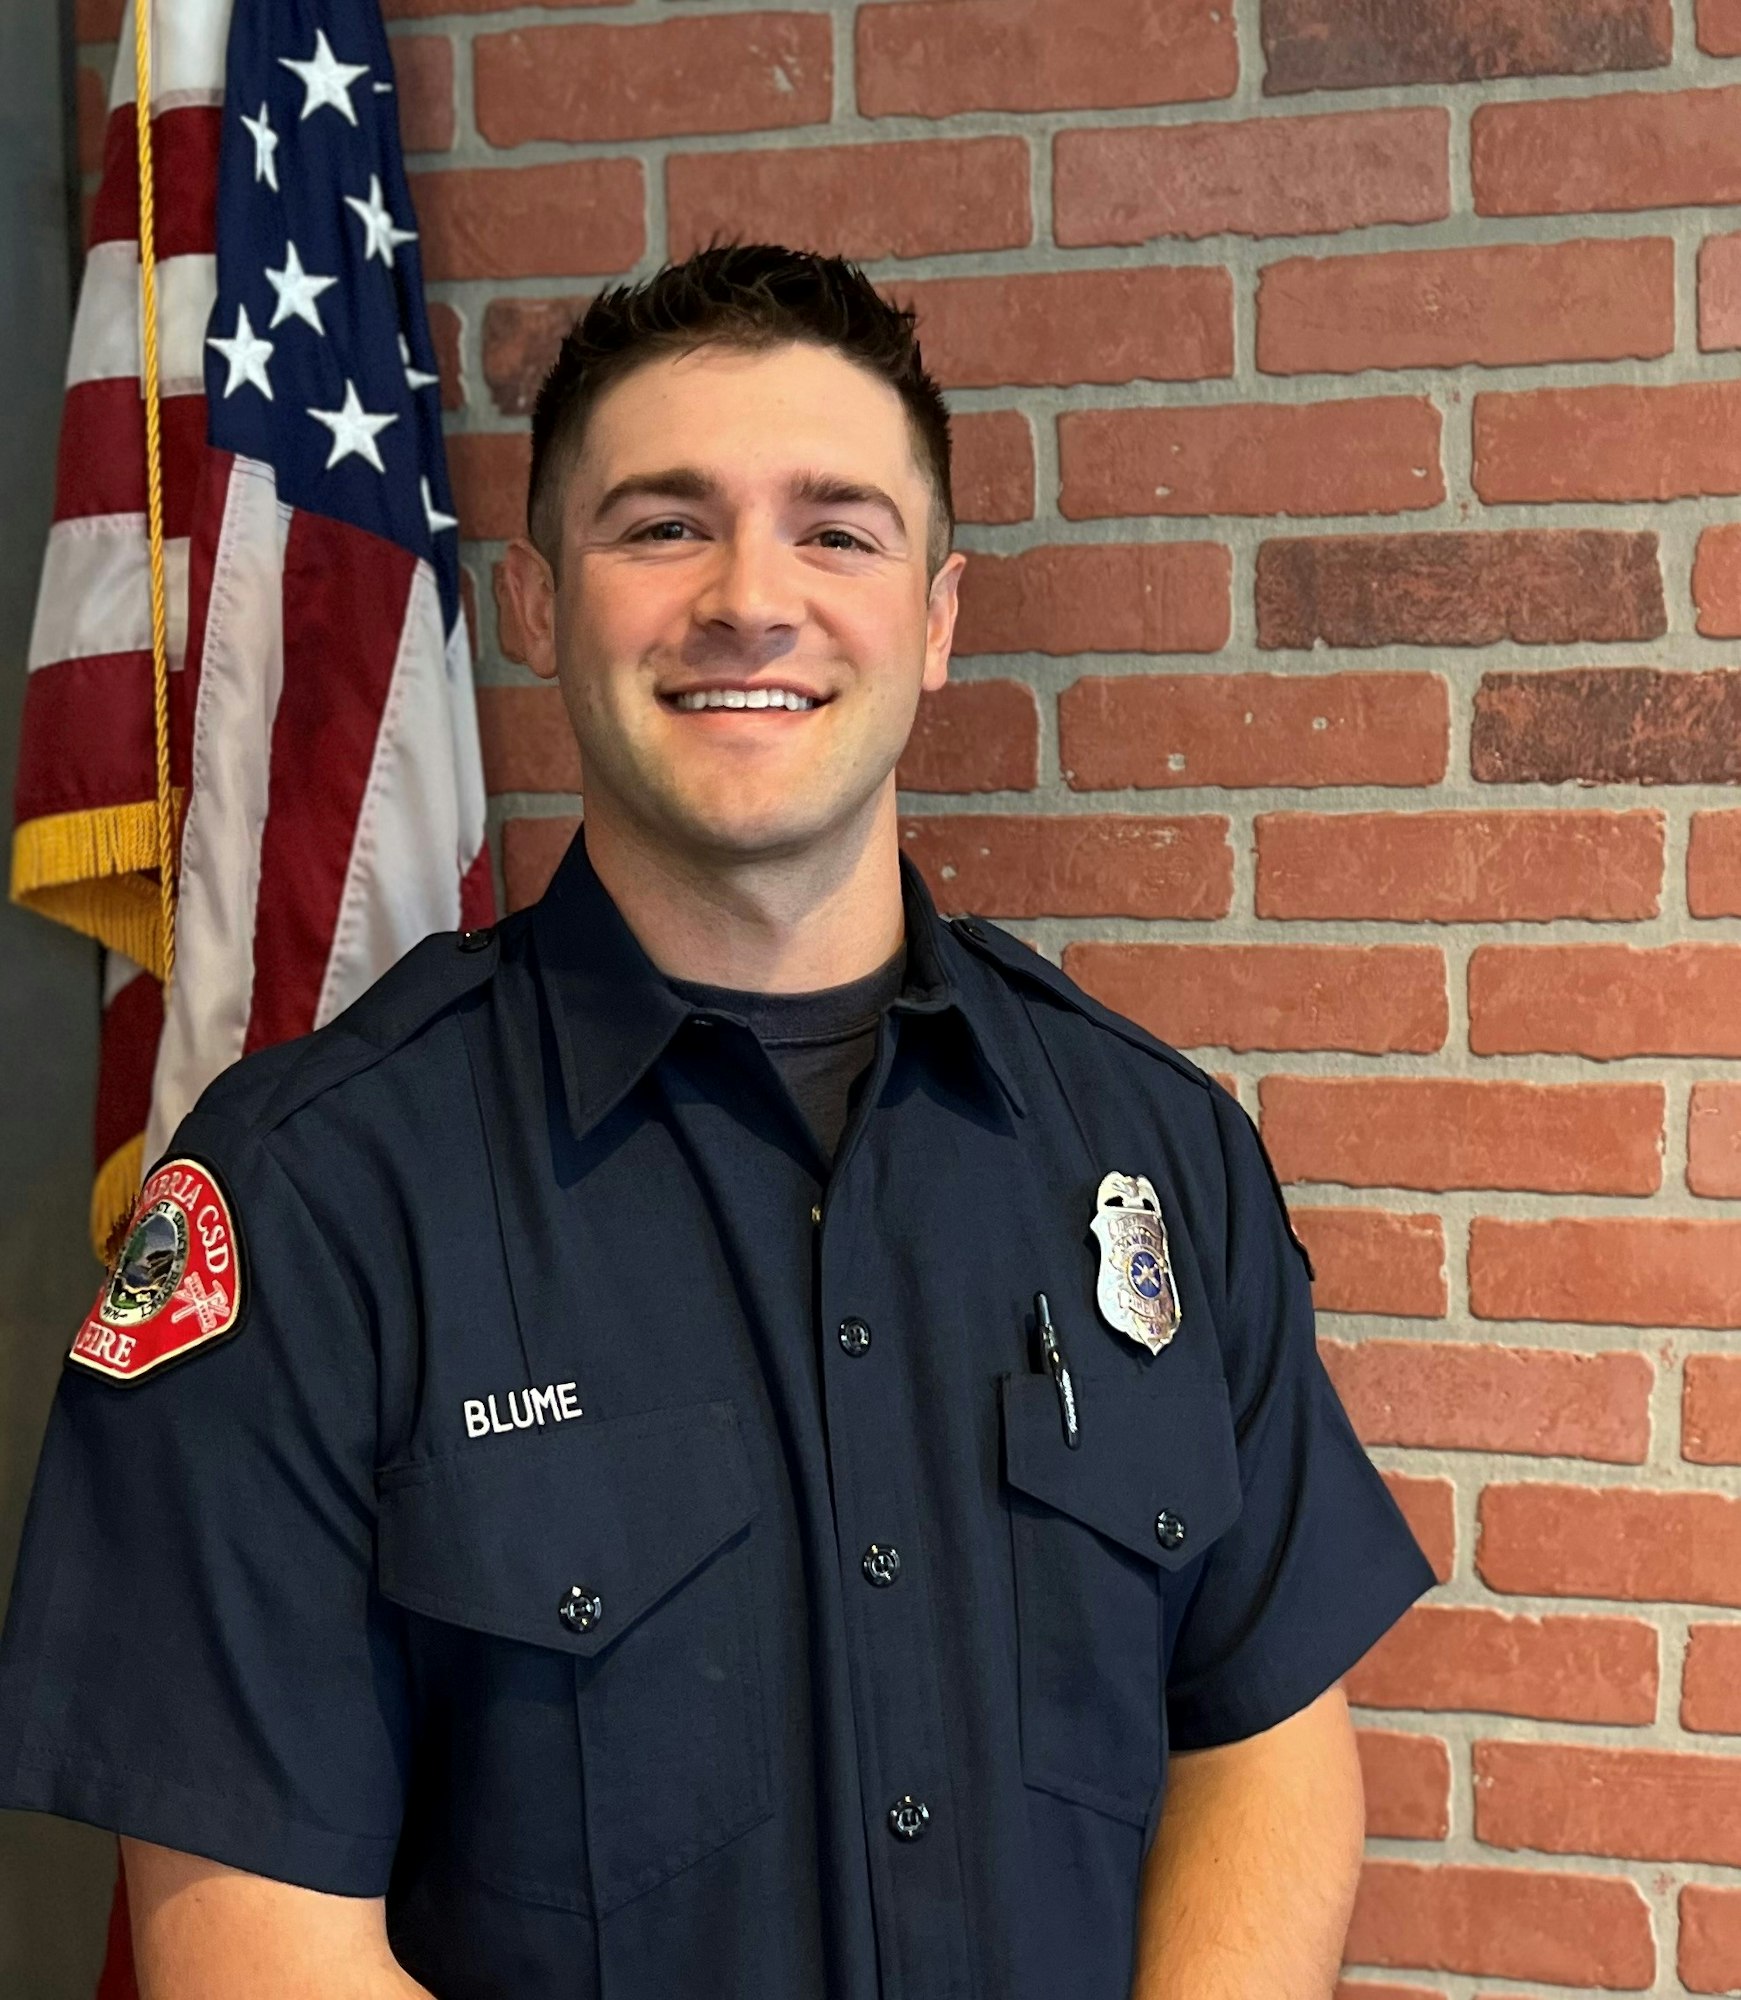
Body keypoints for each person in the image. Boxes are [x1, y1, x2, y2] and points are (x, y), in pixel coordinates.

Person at [0, 241, 1436, 1999]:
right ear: (536, 605)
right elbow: (251, 1946)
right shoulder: (307, 1202)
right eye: (662, 525)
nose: (752, 598)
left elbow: (1266, 1742)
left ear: (936, 617)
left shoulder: (1155, 1153)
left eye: (836, 530)